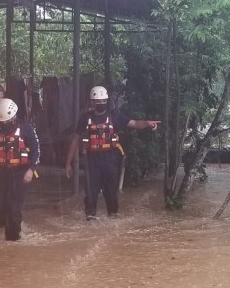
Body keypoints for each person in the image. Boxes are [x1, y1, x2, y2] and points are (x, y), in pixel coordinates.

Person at [64, 86, 160, 221]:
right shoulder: (85, 118)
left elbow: (135, 124)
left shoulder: (114, 115)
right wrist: (68, 163)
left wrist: (147, 123)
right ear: (92, 102)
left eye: (103, 101)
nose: (101, 104)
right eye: (98, 101)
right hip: (91, 160)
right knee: (91, 192)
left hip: (110, 158)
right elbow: (75, 139)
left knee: (111, 193)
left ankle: (113, 218)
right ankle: (90, 219)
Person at [0, 98, 40, 241]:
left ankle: (13, 240)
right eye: (3, 121)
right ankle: (5, 226)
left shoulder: (26, 128)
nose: (5, 124)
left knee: (14, 206)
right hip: (0, 172)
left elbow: (36, 151)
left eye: (8, 120)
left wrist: (31, 170)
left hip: (19, 172)